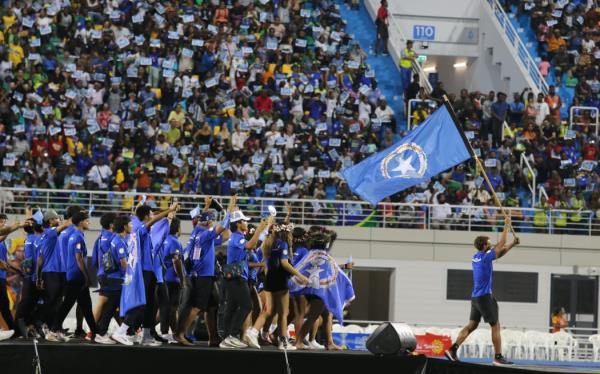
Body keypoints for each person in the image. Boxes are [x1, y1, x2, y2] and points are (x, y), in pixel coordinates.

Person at [444, 217, 519, 366]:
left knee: (471, 326)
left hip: (475, 299)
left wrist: (512, 244)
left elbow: (500, 252)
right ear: (484, 245)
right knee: (496, 326)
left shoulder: (477, 257)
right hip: (484, 298)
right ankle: (498, 357)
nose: (491, 244)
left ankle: (452, 349)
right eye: (489, 243)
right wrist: (506, 225)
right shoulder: (485, 257)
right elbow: (500, 244)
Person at [175, 196, 234, 346]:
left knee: (212, 306)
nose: (213, 224)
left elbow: (226, 235)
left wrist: (207, 206)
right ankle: (180, 334)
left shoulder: (197, 231)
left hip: (202, 275)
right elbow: (222, 228)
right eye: (211, 222)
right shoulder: (206, 235)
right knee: (197, 307)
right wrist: (229, 211)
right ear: (209, 223)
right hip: (203, 277)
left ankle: (213, 338)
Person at [220, 210, 271, 349]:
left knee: (231, 307)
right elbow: (250, 245)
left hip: (234, 278)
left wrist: (263, 229)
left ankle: (227, 337)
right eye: (244, 220)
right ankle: (232, 335)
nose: (246, 223)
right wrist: (259, 229)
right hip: (237, 278)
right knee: (247, 306)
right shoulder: (237, 236)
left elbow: (251, 245)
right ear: (238, 224)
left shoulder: (238, 236)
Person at [51, 211, 98, 340]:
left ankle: (95, 332)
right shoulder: (77, 236)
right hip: (77, 276)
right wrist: (87, 276)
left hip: (73, 274)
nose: (89, 222)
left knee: (85, 305)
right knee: (68, 304)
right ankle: (53, 328)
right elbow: (79, 259)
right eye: (87, 220)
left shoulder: (74, 234)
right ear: (81, 222)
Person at [36, 210, 74, 341]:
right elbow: (65, 225)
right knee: (51, 301)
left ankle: (55, 329)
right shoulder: (49, 232)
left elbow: (40, 258)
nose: (59, 219)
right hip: (51, 272)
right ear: (50, 220)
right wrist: (75, 217)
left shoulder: (53, 235)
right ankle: (43, 325)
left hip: (59, 272)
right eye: (57, 218)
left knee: (58, 302)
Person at [99, 215, 131, 345]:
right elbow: (123, 262)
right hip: (117, 279)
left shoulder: (117, 239)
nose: (132, 226)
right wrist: (130, 276)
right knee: (111, 307)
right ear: (124, 226)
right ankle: (102, 333)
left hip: (114, 279)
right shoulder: (119, 242)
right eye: (130, 223)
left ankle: (108, 333)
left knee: (112, 307)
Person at [0, 215, 30, 339]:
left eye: (5, 222)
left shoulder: (3, 242)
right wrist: (17, 226)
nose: (3, 224)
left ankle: (14, 331)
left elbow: (4, 262)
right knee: (4, 304)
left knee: (4, 304)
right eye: (1, 222)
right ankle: (14, 330)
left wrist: (14, 269)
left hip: (2, 276)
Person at [159, 218, 185, 342]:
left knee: (165, 306)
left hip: (163, 277)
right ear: (178, 228)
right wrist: (182, 279)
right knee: (172, 307)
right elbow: (176, 260)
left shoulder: (163, 240)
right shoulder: (174, 241)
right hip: (172, 279)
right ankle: (169, 332)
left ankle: (167, 332)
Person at [91, 213, 117, 325]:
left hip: (102, 274)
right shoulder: (113, 238)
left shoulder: (100, 237)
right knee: (103, 301)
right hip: (110, 275)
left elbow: (94, 261)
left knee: (112, 303)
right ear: (112, 225)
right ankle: (91, 329)